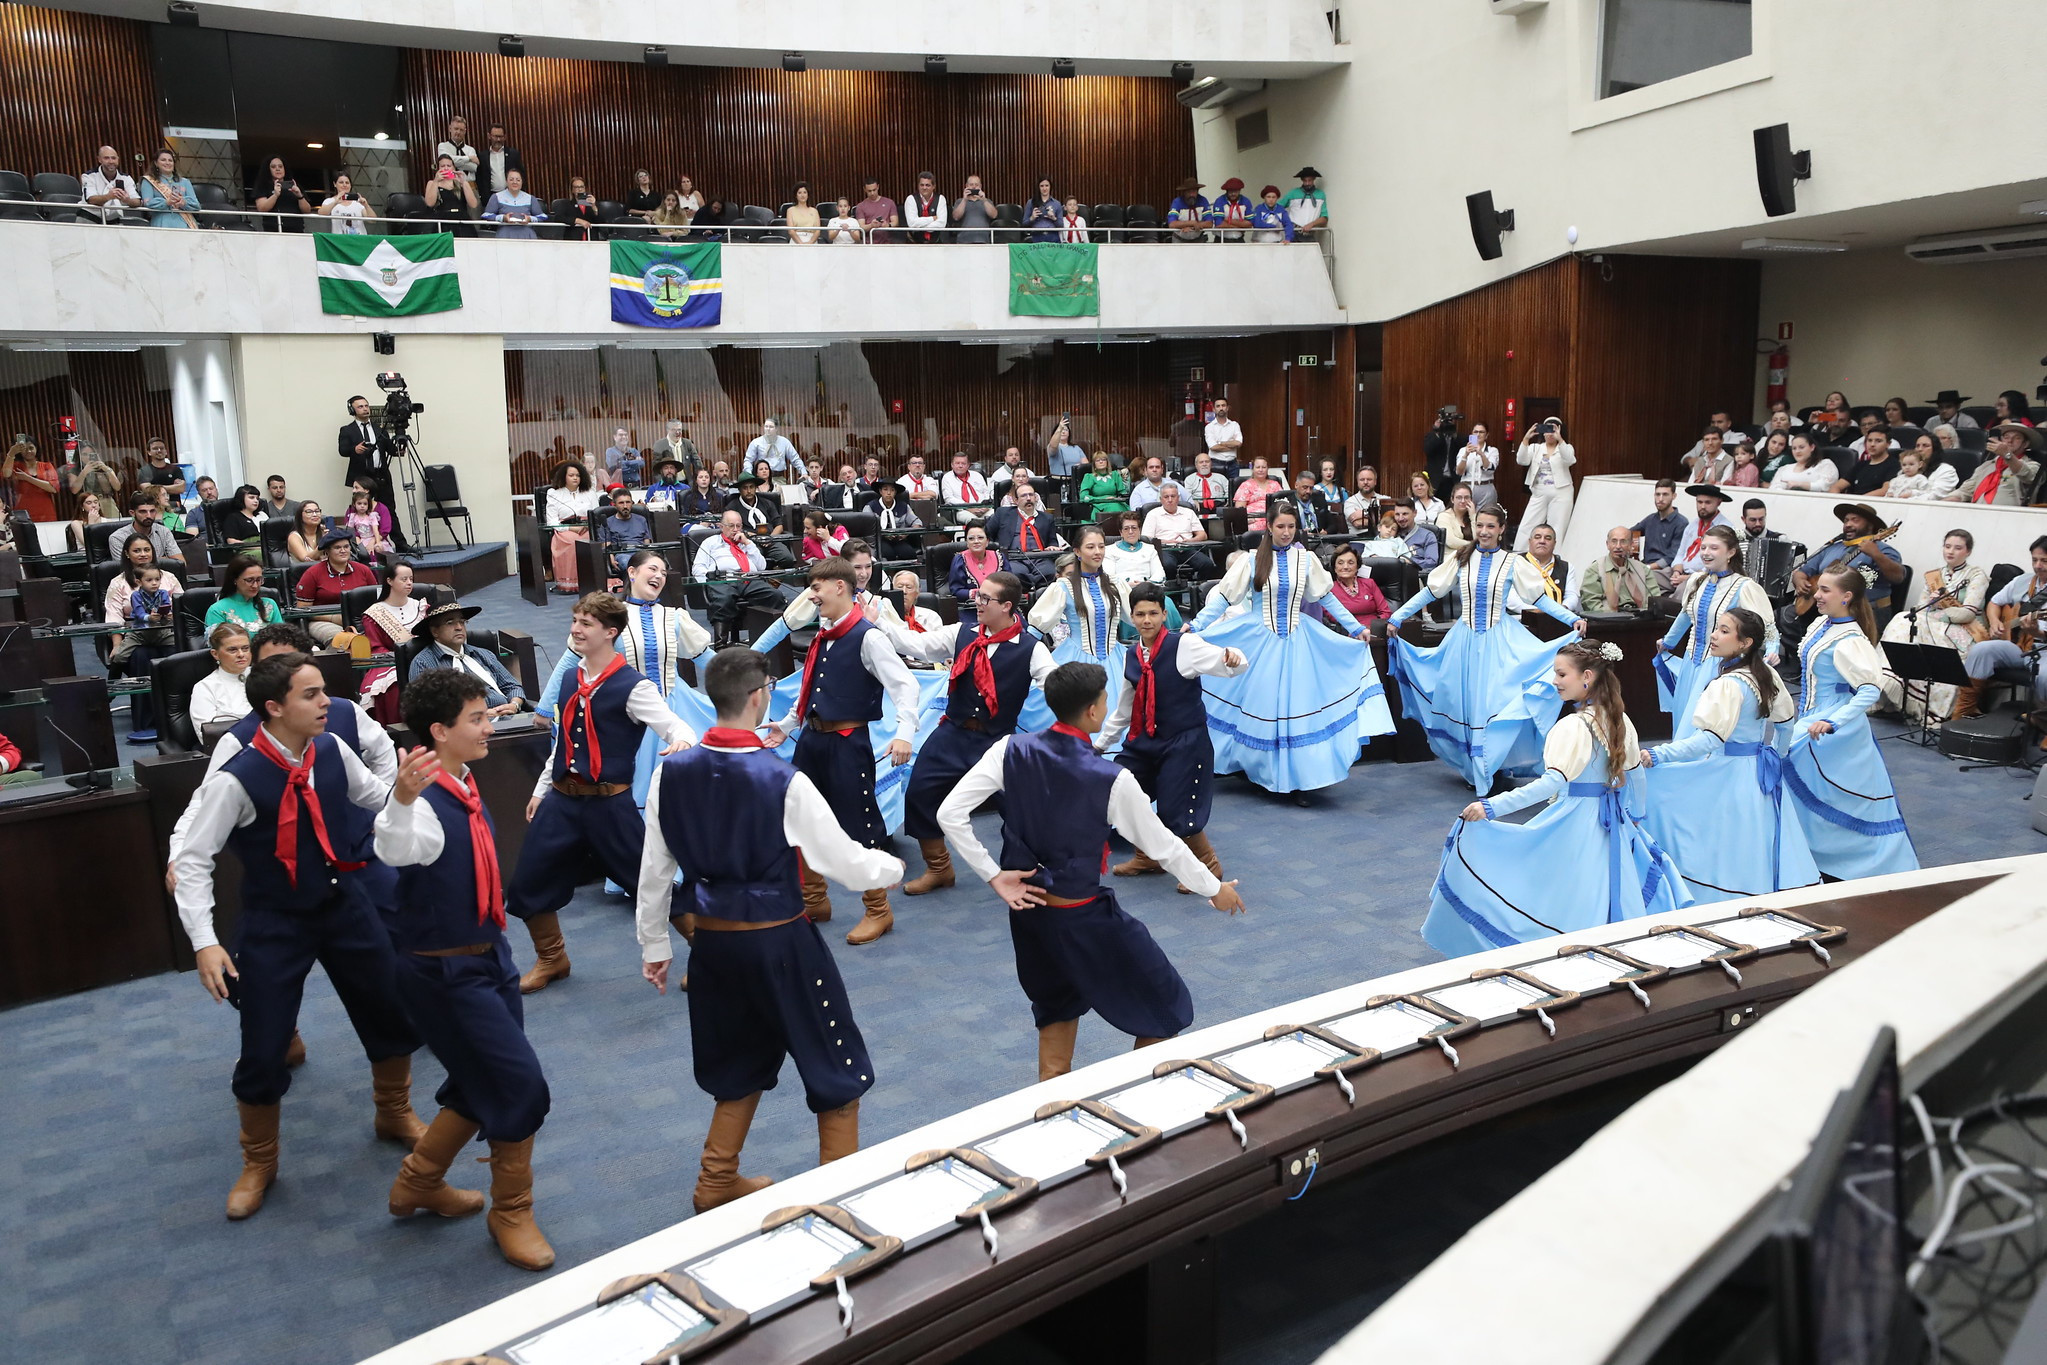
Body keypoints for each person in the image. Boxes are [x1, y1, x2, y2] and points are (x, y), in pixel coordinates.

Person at [635, 649, 901, 1210]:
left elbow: (655, 870)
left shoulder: (668, 772)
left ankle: (715, 1182)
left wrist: (655, 943)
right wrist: (891, 869)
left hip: (712, 942)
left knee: (738, 1060)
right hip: (780, 941)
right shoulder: (782, 778)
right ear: (759, 697)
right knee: (835, 1064)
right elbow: (844, 863)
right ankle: (838, 1200)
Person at [169, 653, 427, 1220]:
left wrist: (407, 793)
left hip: (344, 902)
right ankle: (259, 1162)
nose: (326, 702)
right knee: (264, 1043)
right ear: (274, 707)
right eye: (311, 694)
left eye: (323, 691)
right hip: (275, 919)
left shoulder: (332, 748)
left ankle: (394, 1112)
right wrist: (205, 941)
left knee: (389, 1008)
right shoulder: (236, 776)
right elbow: (192, 860)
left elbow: (376, 800)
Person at [941, 661, 1243, 1080]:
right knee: (1165, 1008)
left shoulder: (1007, 749)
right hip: (1082, 916)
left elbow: (949, 814)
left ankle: (1056, 1114)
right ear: (1093, 711)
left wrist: (993, 874)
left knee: (1055, 1014)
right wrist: (1214, 888)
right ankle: (1135, 1102)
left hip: (1030, 917)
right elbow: (1165, 846)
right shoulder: (1113, 778)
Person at [365, 670, 554, 1271]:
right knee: (520, 1085)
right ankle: (511, 1212)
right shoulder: (421, 801)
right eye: (477, 718)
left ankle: (418, 1182)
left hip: (490, 958)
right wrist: (400, 800)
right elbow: (394, 848)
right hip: (444, 974)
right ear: (440, 731)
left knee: (481, 1080)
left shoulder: (465, 781)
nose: (490, 726)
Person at [1421, 641, 1689, 957]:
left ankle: (1571, 948)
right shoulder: (1619, 719)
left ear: (1587, 676)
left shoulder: (1573, 726)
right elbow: (1635, 776)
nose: (1555, 681)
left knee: (1549, 883)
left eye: (1562, 674)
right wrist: (1635, 817)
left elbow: (1549, 783)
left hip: (1576, 820)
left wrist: (1492, 806)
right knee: (1599, 886)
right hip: (1613, 823)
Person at [507, 593, 697, 997]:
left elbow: (677, 728)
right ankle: (552, 958)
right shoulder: (570, 678)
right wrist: (542, 789)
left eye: (586, 623)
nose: (575, 629)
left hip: (610, 805)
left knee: (652, 884)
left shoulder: (634, 686)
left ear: (610, 632)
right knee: (527, 881)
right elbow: (563, 743)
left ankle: (713, 955)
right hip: (562, 800)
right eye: (575, 621)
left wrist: (681, 742)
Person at [753, 556, 925, 944]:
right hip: (813, 740)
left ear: (840, 587)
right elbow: (813, 688)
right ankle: (814, 900)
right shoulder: (824, 634)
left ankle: (878, 910)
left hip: (848, 744)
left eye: (816, 588)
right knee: (798, 818)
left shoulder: (869, 637)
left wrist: (904, 733)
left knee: (860, 825)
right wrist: (788, 725)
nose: (812, 595)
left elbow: (906, 686)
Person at [1189, 504, 1393, 798]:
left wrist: (1353, 627)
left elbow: (1326, 598)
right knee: (1264, 704)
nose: (1286, 532)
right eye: (1281, 526)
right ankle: (1262, 770)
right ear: (1269, 527)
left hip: (1299, 641)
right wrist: (1196, 625)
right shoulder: (1251, 560)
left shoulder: (1305, 559)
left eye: (1291, 527)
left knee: (1297, 707)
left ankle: (1298, 778)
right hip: (1258, 642)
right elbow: (1223, 597)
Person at [1387, 504, 1586, 791]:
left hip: (1500, 643)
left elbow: (1538, 599)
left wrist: (1571, 618)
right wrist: (1398, 615)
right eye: (1480, 525)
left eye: (1491, 526)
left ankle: (1492, 765)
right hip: (1464, 643)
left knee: (1494, 705)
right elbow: (1431, 591)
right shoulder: (1461, 557)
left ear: (1502, 529)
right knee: (1467, 705)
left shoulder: (1512, 562)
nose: (1484, 531)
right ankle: (1476, 769)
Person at [887, 572, 1058, 897]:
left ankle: (1026, 871)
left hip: (997, 741)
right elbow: (916, 645)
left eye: (985, 598)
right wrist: (877, 622)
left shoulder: (1031, 649)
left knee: (1019, 807)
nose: (977, 602)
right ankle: (939, 868)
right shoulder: (960, 633)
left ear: (1007, 606)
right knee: (919, 791)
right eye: (978, 595)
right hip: (953, 732)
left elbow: (1053, 683)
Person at [1784, 567, 1918, 880]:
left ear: (1846, 597)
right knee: (1807, 788)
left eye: (1825, 590)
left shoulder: (1851, 639)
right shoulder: (1822, 623)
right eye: (1819, 588)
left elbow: (1869, 690)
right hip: (1811, 715)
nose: (1817, 595)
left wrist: (1832, 720)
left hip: (1832, 723)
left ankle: (1852, 863)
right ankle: (1805, 854)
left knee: (1830, 793)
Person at [1655, 526, 1779, 738]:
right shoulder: (1696, 580)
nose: (1706, 552)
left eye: (1714, 548)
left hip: (1722, 665)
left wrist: (1773, 650)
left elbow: (1766, 625)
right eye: (1703, 547)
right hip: (1691, 662)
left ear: (1731, 552)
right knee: (1683, 718)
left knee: (1704, 724)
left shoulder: (1744, 586)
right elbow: (1686, 615)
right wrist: (1668, 642)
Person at [1880, 529, 1986, 724]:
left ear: (1968, 551)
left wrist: (1938, 611)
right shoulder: (1934, 576)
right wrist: (1931, 604)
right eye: (1947, 546)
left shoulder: (1976, 575)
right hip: (1932, 624)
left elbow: (1967, 613)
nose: (1950, 551)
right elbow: (1919, 609)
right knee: (1903, 619)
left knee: (1907, 621)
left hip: (1962, 630)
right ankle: (1892, 681)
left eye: (1958, 548)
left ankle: (1922, 702)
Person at [1030, 528, 1131, 712]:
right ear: (1077, 551)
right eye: (1090, 547)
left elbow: (1136, 617)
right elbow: (1036, 628)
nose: (1097, 552)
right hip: (1075, 660)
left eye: (1101, 546)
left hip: (1116, 659)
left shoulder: (1115, 584)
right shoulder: (1064, 586)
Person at [1955, 537, 2047, 720]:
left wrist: (2036, 632)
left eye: (2044, 561)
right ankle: (1964, 710)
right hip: (2018, 646)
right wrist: (1994, 621)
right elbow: (1995, 602)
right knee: (1982, 650)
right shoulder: (2022, 581)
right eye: (2034, 560)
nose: (2038, 566)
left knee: (2045, 675)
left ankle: (2042, 721)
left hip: (2044, 650)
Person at [692, 509, 789, 647]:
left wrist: (748, 544)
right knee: (723, 599)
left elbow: (761, 566)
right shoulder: (711, 542)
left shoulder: (747, 543)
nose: (735, 530)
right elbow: (698, 568)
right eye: (731, 526)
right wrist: (709, 581)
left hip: (749, 579)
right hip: (724, 580)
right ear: (721, 526)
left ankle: (775, 641)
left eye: (738, 526)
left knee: (775, 596)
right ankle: (721, 645)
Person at [109, 560, 178, 743]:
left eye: (157, 579)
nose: (154, 583)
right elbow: (139, 614)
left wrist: (167, 614)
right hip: (140, 634)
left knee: (180, 648)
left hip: (160, 633)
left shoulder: (163, 593)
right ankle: (111, 689)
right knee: (120, 656)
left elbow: (167, 607)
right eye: (149, 580)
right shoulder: (136, 596)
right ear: (139, 582)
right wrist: (149, 617)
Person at [296, 531, 378, 645]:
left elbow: (377, 601)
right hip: (323, 621)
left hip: (360, 620)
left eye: (346, 546)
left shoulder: (364, 570)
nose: (343, 550)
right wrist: (333, 618)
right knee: (341, 641)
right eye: (337, 548)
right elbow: (302, 609)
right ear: (327, 551)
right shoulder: (312, 573)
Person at [1515, 418, 1576, 549]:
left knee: (1558, 526)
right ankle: (1520, 553)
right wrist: (1526, 439)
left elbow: (1570, 459)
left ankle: (1556, 555)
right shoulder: (1536, 448)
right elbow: (1522, 460)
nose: (1549, 434)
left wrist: (1560, 440)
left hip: (1561, 492)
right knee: (1528, 524)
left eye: (1553, 430)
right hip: (1539, 491)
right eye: (1547, 429)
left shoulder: (1565, 447)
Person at [1949, 422, 2043, 505]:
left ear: (2025, 444)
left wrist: (2007, 455)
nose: (2010, 441)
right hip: (1977, 514)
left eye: (2017, 438)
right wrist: (1946, 501)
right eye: (2006, 437)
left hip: (2012, 516)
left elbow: (2027, 475)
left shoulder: (2033, 466)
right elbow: (1964, 491)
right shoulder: (1986, 466)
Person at [544, 462, 599, 595]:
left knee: (589, 541)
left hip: (587, 528)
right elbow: (552, 521)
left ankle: (590, 581)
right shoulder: (554, 494)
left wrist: (587, 526)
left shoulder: (589, 492)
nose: (575, 478)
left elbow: (597, 513)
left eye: (578, 475)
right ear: (564, 476)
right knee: (571, 541)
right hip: (565, 529)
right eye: (571, 475)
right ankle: (570, 583)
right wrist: (571, 528)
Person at [1139, 482, 1215, 579]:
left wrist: (1190, 540)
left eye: (1173, 496)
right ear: (1161, 499)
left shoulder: (1189, 512)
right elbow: (1146, 539)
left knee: (1207, 564)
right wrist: (1166, 541)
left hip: (1188, 548)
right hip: (1165, 549)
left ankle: (1199, 587)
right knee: (1168, 565)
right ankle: (1172, 588)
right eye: (1166, 497)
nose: (1170, 500)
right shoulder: (1153, 514)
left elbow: (1203, 535)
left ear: (1178, 498)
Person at [1579, 525, 1655, 615]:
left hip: (1640, 618)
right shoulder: (1595, 570)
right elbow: (1590, 603)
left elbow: (1654, 599)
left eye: (1623, 541)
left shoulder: (1642, 570)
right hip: (1608, 620)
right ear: (1607, 544)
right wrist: (1612, 616)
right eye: (1614, 541)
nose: (1618, 546)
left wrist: (1644, 614)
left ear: (1631, 545)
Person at [190, 622, 255, 728]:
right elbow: (207, 733)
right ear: (215, 654)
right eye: (232, 650)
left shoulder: (264, 675)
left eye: (245, 648)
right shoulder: (205, 688)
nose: (241, 654)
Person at [205, 554, 284, 631]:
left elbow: (282, 636)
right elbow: (218, 639)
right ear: (234, 580)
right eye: (249, 580)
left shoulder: (269, 604)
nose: (255, 585)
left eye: (259, 580)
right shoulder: (217, 610)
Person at [1325, 544, 1391, 636]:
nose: (1345, 567)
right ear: (1334, 568)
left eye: (1351, 563)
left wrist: (1374, 628)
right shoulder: (1329, 588)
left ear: (1357, 567)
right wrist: (1356, 629)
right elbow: (1333, 617)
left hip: (1375, 633)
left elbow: (1385, 612)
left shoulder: (1369, 583)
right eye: (1340, 563)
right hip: (1347, 634)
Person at [946, 523, 1012, 606]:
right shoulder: (960, 560)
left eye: (980, 538)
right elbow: (956, 591)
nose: (976, 541)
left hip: (999, 605)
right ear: (967, 542)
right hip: (971, 606)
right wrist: (979, 594)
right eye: (971, 538)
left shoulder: (999, 557)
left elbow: (1010, 584)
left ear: (987, 541)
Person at [1878, 435, 1959, 500]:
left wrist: (1906, 500)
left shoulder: (1946, 470)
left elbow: (1935, 496)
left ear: (1935, 450)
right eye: (1917, 446)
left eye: (1925, 446)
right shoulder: (1904, 472)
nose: (1920, 449)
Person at [83, 144, 145, 224]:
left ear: (118, 159)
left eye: (113, 158)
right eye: (106, 158)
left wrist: (127, 200)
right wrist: (109, 196)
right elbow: (91, 200)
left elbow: (137, 201)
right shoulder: (89, 176)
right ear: (99, 159)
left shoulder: (126, 178)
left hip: (114, 220)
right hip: (89, 218)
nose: (111, 161)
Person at [1832, 423, 1900, 496]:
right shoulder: (1860, 465)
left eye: (1878, 441)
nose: (1872, 444)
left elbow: (1885, 490)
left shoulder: (1894, 465)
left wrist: (1859, 500)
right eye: (1869, 440)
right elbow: (1836, 487)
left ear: (1888, 444)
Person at [1103, 512, 1166, 589]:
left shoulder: (1150, 549)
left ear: (1139, 531)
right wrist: (1127, 585)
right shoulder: (1109, 550)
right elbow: (1109, 577)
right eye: (1126, 528)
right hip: (1122, 591)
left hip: (1147, 590)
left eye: (1134, 528)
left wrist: (1146, 584)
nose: (1130, 532)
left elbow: (1159, 574)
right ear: (1121, 532)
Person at [2, 438, 59, 522]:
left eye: (31, 448)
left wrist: (27, 478)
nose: (28, 451)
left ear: (36, 448)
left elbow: (54, 488)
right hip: (23, 511)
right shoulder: (16, 466)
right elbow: (6, 474)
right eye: (25, 449)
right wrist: (12, 452)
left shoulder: (46, 466)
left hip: (46, 511)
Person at [139, 147, 197, 228]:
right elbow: (147, 203)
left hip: (184, 223)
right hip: (161, 222)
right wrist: (166, 202)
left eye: (170, 160)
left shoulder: (185, 182)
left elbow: (196, 205)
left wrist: (184, 202)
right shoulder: (148, 181)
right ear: (156, 163)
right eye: (163, 160)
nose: (167, 163)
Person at [1769, 432, 1838, 492]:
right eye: (1794, 448)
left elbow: (1825, 486)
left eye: (1801, 447)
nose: (1797, 451)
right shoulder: (1784, 469)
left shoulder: (1825, 464)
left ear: (1812, 447)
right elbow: (1774, 488)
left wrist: (1800, 484)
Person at [1232, 457, 1284, 536]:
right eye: (1258, 467)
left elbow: (1283, 503)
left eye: (1264, 467)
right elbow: (1239, 508)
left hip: (1273, 518)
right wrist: (1248, 519)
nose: (1261, 470)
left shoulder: (1275, 484)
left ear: (1267, 469)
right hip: (1253, 520)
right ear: (1252, 469)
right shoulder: (1246, 485)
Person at [1455, 422, 1501, 507]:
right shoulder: (1463, 450)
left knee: (1486, 513)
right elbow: (1459, 472)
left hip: (1486, 487)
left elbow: (1490, 468)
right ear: (1472, 434)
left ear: (1486, 435)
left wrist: (1481, 454)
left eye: (1481, 432)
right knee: (1466, 513)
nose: (1478, 434)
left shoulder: (1492, 450)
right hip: (1467, 487)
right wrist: (1465, 455)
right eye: (1475, 432)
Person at [1522, 523, 1570, 604]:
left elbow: (1571, 596)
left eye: (1548, 538)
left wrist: (1562, 609)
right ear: (1529, 542)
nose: (1542, 541)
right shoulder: (1516, 563)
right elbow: (1511, 596)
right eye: (1537, 537)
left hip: (1558, 611)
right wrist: (1532, 610)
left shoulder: (1566, 567)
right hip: (1522, 611)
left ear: (1554, 543)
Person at [1078, 449, 1130, 519]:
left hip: (1116, 502)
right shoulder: (1089, 477)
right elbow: (1083, 497)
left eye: (1103, 459)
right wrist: (1103, 499)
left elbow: (1123, 493)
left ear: (1107, 462)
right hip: (1099, 505)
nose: (1101, 462)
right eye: (1097, 460)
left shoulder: (1115, 475)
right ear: (1094, 464)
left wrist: (1117, 499)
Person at [1280, 166, 1329, 237]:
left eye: (1310, 180)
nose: (1307, 183)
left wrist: (1312, 224)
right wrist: (1286, 222)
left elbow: (1324, 218)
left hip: (1310, 233)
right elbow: (1277, 207)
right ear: (1302, 180)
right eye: (1305, 181)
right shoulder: (1293, 193)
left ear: (1314, 179)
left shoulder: (1320, 195)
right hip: (1294, 232)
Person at [1392, 502, 1441, 572]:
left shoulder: (1427, 536)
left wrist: (1410, 562)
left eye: (1405, 514)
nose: (1400, 518)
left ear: (1415, 513)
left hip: (1416, 575)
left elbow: (1431, 562)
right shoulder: (1389, 533)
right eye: (1397, 514)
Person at [341, 488, 387, 559]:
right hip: (361, 540)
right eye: (359, 503)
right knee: (361, 553)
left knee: (376, 550)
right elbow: (350, 530)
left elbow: (375, 530)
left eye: (365, 504)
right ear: (354, 504)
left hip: (371, 538)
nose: (362, 506)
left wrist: (378, 542)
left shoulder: (371, 516)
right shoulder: (353, 516)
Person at [904, 171, 947, 244]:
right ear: (918, 186)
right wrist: (932, 218)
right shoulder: (911, 199)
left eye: (927, 185)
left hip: (935, 242)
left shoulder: (941, 199)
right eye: (922, 185)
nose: (924, 188)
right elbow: (912, 224)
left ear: (934, 186)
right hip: (913, 243)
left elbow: (942, 223)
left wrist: (921, 227)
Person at [1436, 482, 1476, 560]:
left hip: (1473, 557)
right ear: (1452, 499)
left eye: (1467, 497)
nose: (1463, 501)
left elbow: (1478, 538)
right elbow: (1451, 542)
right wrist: (1473, 545)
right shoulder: (1444, 516)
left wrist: (1473, 517)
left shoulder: (1474, 517)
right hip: (1452, 558)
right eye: (1459, 497)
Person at [950, 173, 994, 243]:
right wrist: (964, 199)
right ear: (966, 186)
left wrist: (984, 200)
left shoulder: (987, 201)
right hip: (963, 242)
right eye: (971, 184)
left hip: (983, 241)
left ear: (980, 186)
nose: (974, 187)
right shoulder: (960, 201)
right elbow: (956, 217)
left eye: (976, 185)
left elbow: (994, 215)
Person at [1184, 453, 1231, 519]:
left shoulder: (1221, 477)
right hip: (1200, 506)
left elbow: (1229, 492)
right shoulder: (1189, 479)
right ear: (1196, 465)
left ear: (1211, 464)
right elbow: (1187, 495)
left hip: (1219, 505)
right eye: (1201, 462)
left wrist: (1228, 502)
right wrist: (1193, 501)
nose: (1204, 464)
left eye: (1207, 461)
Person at [283, 499, 327, 565]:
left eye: (317, 511)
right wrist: (324, 542)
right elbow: (305, 559)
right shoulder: (294, 536)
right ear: (300, 516)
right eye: (309, 512)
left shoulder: (325, 532)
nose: (315, 514)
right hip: (303, 570)